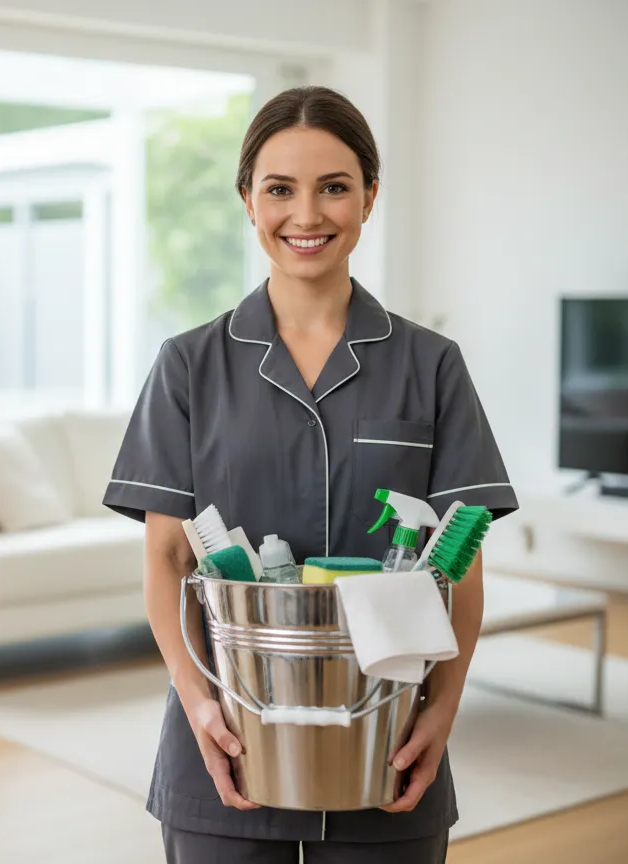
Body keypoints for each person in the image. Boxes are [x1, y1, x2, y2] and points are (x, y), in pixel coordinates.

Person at [102, 86, 519, 863]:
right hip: (226, 740)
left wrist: (443, 712)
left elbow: (462, 569)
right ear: (247, 201)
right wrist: (198, 707)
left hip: (387, 743)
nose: (308, 215)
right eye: (280, 189)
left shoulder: (431, 366)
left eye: (334, 186)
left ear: (369, 197)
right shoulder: (188, 366)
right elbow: (165, 559)